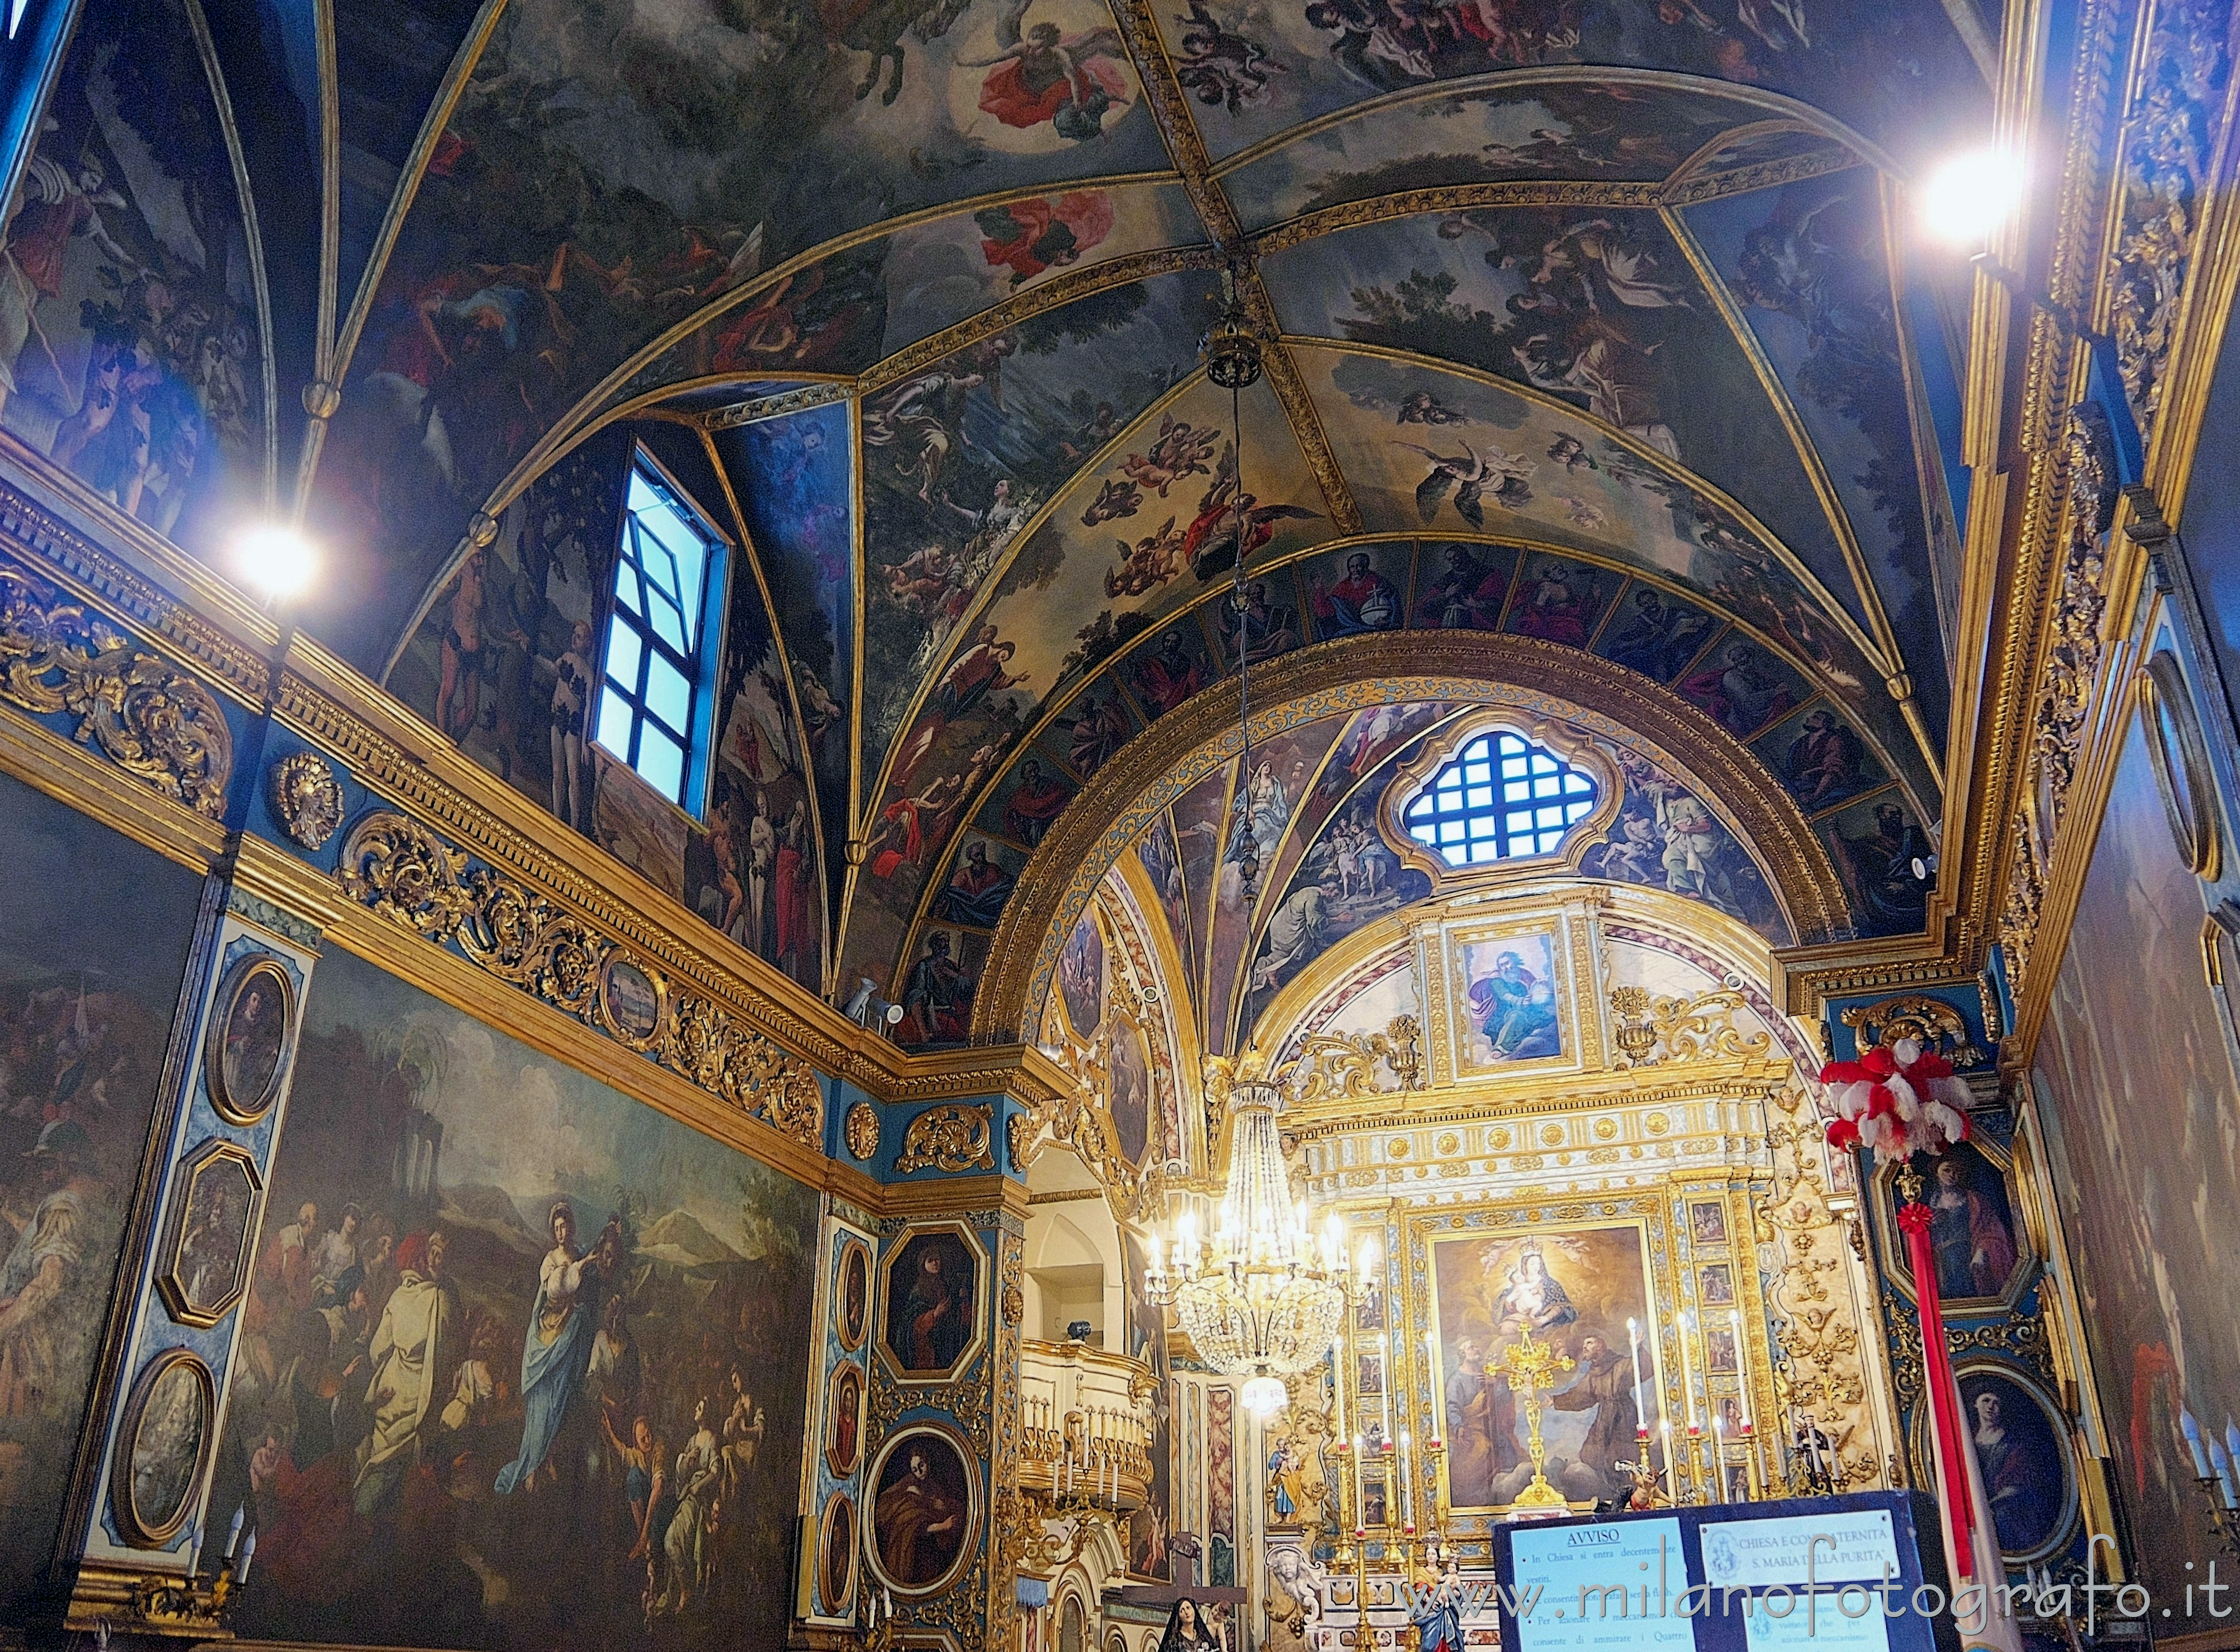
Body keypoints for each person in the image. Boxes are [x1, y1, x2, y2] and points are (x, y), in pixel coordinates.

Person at [496, 1202, 619, 1494]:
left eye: (566, 1226)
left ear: (572, 1228)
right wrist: (581, 1266)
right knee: (546, 1402)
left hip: (573, 1339)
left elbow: (602, 1260)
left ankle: (551, 1457)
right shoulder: (551, 1261)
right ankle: (535, 1462)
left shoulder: (581, 1252)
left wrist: (612, 1233)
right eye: (557, 1228)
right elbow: (556, 1290)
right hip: (552, 1337)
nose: (562, 1232)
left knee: (564, 1399)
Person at [0, 1120, 103, 1419]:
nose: (42, 1172)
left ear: (68, 1160)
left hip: (30, 1345)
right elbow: (46, 1240)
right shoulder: (90, 1199)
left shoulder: (62, 1205)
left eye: (47, 1163)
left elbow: (49, 1282)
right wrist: (11, 1217)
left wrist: (5, 1324)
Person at [354, 1230, 455, 1514]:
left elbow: (377, 1351)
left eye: (441, 1256)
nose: (435, 1260)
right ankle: (364, 1518)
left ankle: (362, 1517)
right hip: (415, 1397)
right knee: (391, 1470)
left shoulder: (400, 1296)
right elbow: (448, 1355)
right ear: (422, 1258)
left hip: (393, 1391)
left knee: (382, 1464)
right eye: (432, 1253)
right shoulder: (441, 1299)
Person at [1549, 1330, 1640, 1498]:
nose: (1585, 1348)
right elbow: (1581, 1395)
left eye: (1589, 1343)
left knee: (1620, 1452)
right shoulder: (1594, 1372)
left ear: (1601, 1346)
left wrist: (1637, 1348)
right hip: (1605, 1415)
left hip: (1623, 1415)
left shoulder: (1618, 1364)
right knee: (1591, 1452)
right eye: (1584, 1345)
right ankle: (1610, 1492)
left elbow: (1638, 1368)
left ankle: (1629, 1491)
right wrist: (1555, 1401)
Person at [874, 1444, 966, 1587]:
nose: (919, 1472)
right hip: (912, 1550)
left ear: (927, 1462)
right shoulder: (908, 1487)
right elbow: (912, 1522)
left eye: (921, 1465)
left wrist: (938, 1505)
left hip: (930, 1551)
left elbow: (943, 1508)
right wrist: (943, 1526)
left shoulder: (933, 1486)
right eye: (915, 1470)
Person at [1928, 1155, 2017, 1298]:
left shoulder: (1974, 1200)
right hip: (1941, 1261)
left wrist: (1981, 1252)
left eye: (1957, 1171)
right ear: (1936, 1172)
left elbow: (1992, 1227)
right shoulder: (1931, 1202)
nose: (1952, 1175)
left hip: (1967, 1254)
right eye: (1947, 1170)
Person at [1468, 951, 1559, 1060]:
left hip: (1526, 1012)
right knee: (1516, 1017)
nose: (1505, 968)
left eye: (1507, 963)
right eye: (1502, 965)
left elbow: (1534, 993)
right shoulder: (1496, 981)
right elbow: (1505, 995)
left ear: (1515, 962)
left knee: (1548, 1018)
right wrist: (1520, 1001)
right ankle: (1501, 1048)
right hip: (1503, 1017)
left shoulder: (1523, 979)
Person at [900, 1241, 972, 1370]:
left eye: (937, 1260)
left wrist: (961, 1298)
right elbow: (911, 1322)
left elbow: (952, 1310)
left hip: (943, 1340)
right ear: (924, 1264)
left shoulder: (944, 1285)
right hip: (926, 1346)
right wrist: (934, 1314)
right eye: (931, 1260)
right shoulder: (919, 1290)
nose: (935, 1264)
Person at [1158, 1597, 1224, 1650]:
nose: (1186, 1612)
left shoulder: (1203, 1637)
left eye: (1188, 1608)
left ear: (1194, 1610)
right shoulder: (1174, 1640)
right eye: (1182, 1611)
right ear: (1179, 1617)